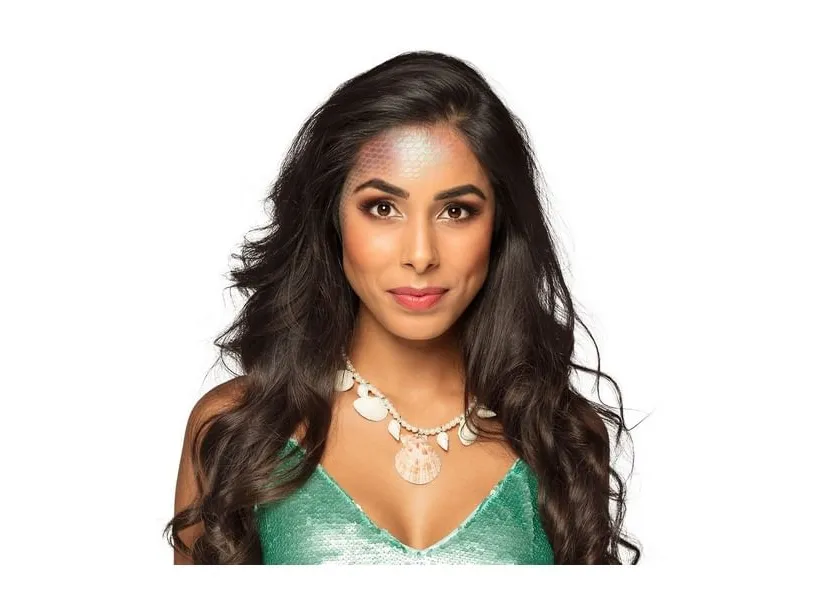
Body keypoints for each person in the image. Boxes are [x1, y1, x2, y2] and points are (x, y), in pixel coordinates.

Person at [165, 50, 641, 564]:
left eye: (456, 211)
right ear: (331, 218)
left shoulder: (562, 437)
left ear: (499, 225)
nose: (420, 254)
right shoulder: (239, 429)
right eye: (383, 207)